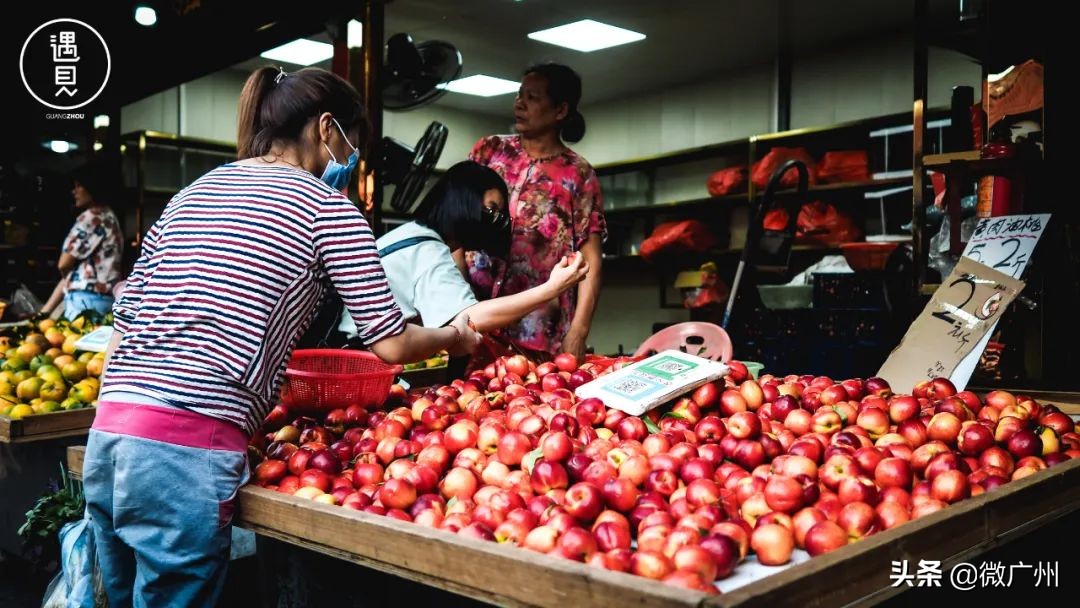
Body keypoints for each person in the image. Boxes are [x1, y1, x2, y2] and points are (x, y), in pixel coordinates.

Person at [83, 66, 480, 607]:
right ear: (326, 128)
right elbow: (388, 342)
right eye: (353, 143)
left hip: (110, 434)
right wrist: (454, 337)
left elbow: (124, 320)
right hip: (185, 454)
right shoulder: (328, 209)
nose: (352, 159)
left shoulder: (193, 191)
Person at [338, 160, 589, 340]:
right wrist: (551, 289)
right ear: (463, 201)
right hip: (357, 355)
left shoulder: (412, 234)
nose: (494, 220)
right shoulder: (427, 249)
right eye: (490, 209)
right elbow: (470, 319)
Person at [461, 62, 606, 361]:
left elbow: (589, 260)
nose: (519, 103)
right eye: (519, 94)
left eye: (533, 97)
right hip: (475, 315)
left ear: (561, 110)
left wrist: (579, 331)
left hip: (539, 327)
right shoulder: (489, 151)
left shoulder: (577, 174)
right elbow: (455, 223)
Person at [41, 162, 124, 319]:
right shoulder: (110, 217)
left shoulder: (91, 217)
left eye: (79, 186)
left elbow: (64, 264)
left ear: (92, 187)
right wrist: (44, 313)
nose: (74, 191)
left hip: (85, 300)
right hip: (106, 299)